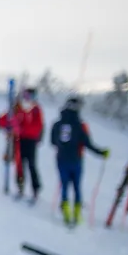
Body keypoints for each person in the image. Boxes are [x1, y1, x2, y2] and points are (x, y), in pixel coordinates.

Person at [50, 96, 110, 226]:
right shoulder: (80, 125)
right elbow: (88, 144)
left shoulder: (57, 124)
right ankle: (76, 214)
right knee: (77, 186)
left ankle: (65, 211)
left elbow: (53, 142)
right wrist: (102, 153)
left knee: (64, 185)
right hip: (76, 160)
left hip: (61, 159)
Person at [13, 88, 45, 202]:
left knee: (31, 164)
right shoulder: (20, 108)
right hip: (20, 140)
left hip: (30, 141)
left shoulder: (36, 109)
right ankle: (20, 187)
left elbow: (38, 126)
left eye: (28, 96)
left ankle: (35, 189)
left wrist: (23, 130)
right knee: (19, 165)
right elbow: (14, 120)